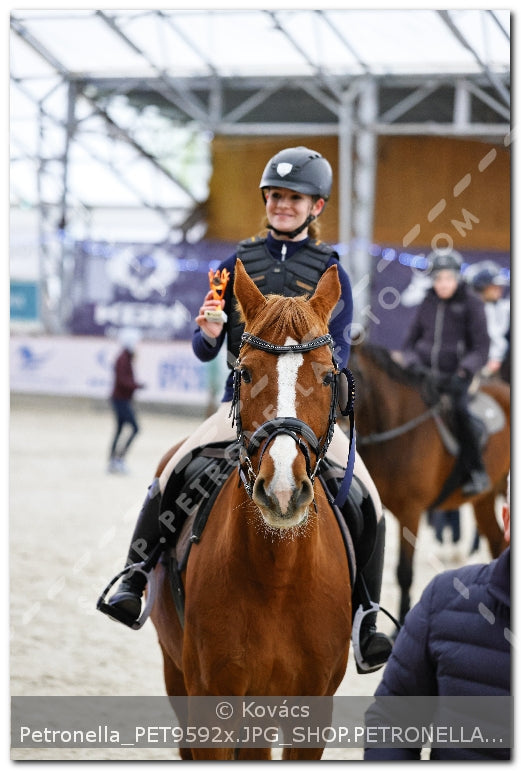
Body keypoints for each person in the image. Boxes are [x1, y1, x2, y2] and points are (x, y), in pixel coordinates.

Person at [99, 146, 393, 673]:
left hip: (307, 413)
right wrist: (208, 334)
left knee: (367, 496)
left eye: (294, 198)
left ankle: (367, 613)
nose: (283, 205)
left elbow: (340, 351)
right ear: (267, 200)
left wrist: (323, 388)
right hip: (241, 406)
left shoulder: (333, 274)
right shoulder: (231, 267)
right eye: (276, 196)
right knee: (173, 471)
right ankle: (135, 574)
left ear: (316, 206)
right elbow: (206, 347)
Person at [363, 473, 511, 760]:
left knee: (468, 425)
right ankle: (365, 616)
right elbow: (391, 721)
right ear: (508, 520)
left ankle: (474, 467)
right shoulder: (443, 600)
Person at [401, 249, 491, 496]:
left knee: (460, 412)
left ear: (457, 278)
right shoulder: (426, 303)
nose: (442, 284)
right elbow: (408, 344)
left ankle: (476, 470)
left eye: (448, 278)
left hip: (457, 378)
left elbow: (481, 347)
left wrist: (464, 371)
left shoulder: (472, 303)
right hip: (425, 376)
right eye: (438, 279)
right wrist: (412, 364)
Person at [107, 327, 144, 474]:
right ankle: (118, 460)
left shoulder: (125, 357)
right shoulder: (123, 358)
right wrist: (137, 386)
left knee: (119, 430)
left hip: (121, 399)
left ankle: (113, 461)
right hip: (120, 400)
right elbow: (122, 381)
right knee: (135, 428)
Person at [469, 262, 510, 381]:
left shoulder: (500, 307)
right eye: (493, 286)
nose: (499, 290)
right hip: (474, 367)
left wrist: (496, 359)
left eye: (499, 286)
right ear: (481, 287)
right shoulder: (471, 309)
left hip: (497, 367)